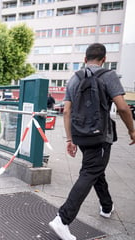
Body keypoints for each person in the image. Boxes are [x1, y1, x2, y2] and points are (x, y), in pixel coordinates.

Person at [49, 43, 135, 240]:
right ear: (104, 59)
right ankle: (62, 219)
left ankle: (107, 206)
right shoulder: (108, 76)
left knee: (96, 169)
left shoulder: (74, 79)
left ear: (84, 59)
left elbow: (67, 111)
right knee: (90, 171)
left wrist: (70, 139)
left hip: (81, 135)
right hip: (100, 136)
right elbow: (122, 107)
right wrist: (132, 130)